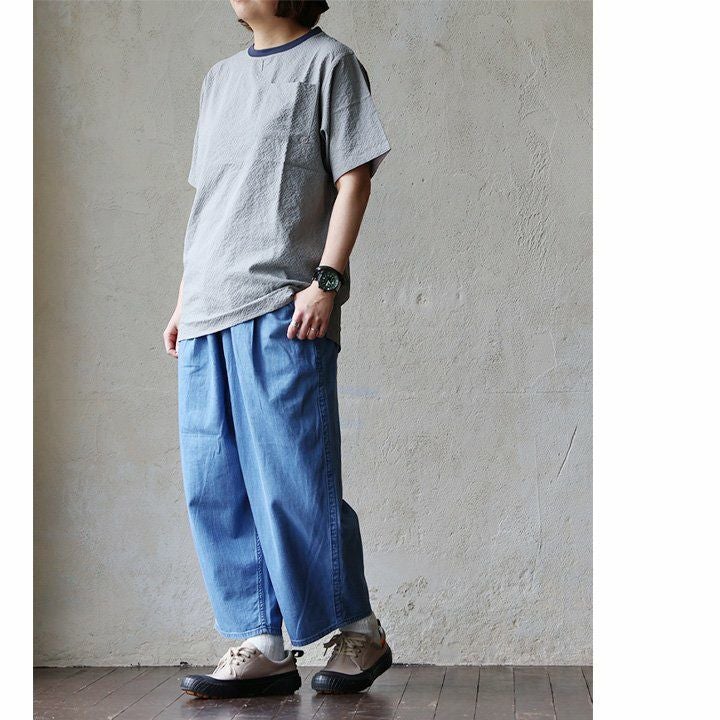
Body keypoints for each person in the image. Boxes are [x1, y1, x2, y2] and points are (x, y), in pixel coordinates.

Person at [162, 0, 392, 699]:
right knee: (215, 485)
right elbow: (214, 200)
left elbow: (354, 178)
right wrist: (183, 298)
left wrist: (328, 280)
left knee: (295, 480)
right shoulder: (219, 79)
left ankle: (358, 630)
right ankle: (260, 640)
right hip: (208, 306)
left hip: (280, 305)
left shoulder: (329, 63)